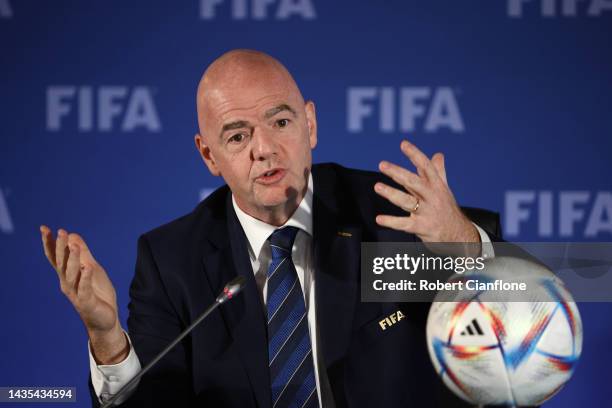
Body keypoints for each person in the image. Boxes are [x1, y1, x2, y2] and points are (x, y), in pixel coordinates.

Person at [40, 49, 498, 407]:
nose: (264, 148)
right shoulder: (172, 261)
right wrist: (106, 339)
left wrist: (464, 247)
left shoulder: (393, 214)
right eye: (237, 136)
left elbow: (551, 306)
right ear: (208, 155)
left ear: (311, 124)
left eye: (281, 122)